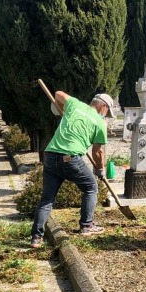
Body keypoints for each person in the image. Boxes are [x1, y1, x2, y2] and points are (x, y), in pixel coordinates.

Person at [30, 91, 116, 249]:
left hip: (50, 155)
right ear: (103, 107)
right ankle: (87, 225)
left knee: (47, 199)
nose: (107, 115)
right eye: (107, 112)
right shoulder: (100, 123)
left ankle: (36, 237)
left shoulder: (75, 105)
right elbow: (97, 152)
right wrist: (100, 169)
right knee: (91, 188)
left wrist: (61, 107)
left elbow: (58, 94)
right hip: (70, 158)